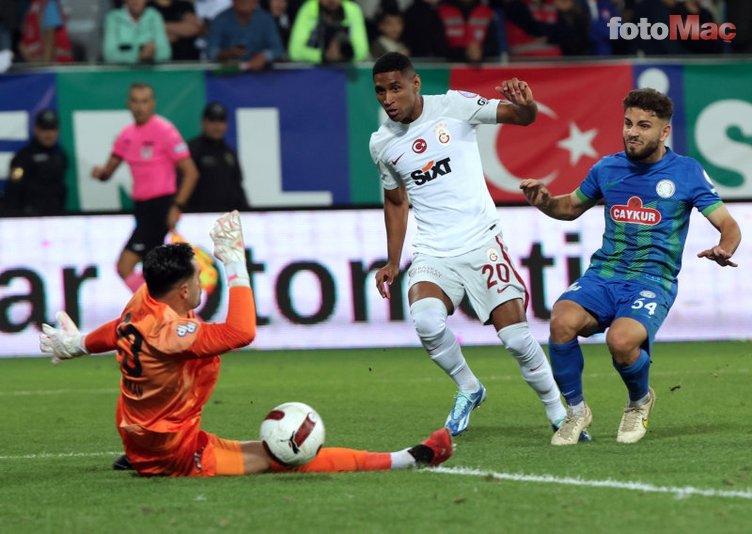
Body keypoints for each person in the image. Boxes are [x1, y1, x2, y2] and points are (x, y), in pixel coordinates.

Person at [39, 211, 453, 477]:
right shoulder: (171, 334)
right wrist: (235, 263)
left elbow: (119, 329)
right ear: (182, 290)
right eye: (197, 278)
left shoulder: (144, 298)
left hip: (140, 431)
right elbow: (242, 332)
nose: (203, 282)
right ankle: (407, 458)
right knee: (284, 456)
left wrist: (76, 344)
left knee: (197, 364)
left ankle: (140, 453)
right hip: (172, 451)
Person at [369, 52, 582, 440]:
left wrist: (526, 105)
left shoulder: (455, 105)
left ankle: (559, 413)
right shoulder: (382, 143)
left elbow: (523, 118)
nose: (388, 99)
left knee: (516, 339)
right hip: (433, 251)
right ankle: (469, 387)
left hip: (482, 242)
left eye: (395, 88)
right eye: (380, 91)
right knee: (427, 322)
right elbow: (396, 201)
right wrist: (392, 261)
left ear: (416, 84)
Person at [520, 88, 742, 446]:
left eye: (643, 125)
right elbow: (569, 207)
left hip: (652, 280)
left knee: (621, 342)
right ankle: (576, 411)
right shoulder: (606, 168)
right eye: (627, 123)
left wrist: (724, 248)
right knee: (561, 322)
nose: (632, 132)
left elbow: (729, 225)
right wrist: (544, 201)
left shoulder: (685, 172)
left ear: (664, 132)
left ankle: (639, 401)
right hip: (604, 275)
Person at [91, 82, 199, 293]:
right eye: (135, 101)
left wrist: (177, 206)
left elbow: (191, 172)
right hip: (141, 209)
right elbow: (108, 171)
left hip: (160, 208)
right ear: (128, 104)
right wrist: (100, 173)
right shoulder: (126, 135)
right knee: (153, 273)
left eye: (144, 101)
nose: (139, 107)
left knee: (125, 266)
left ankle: (158, 304)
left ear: (153, 104)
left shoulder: (165, 131)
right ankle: (164, 305)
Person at [186, 102, 250, 212]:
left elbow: (237, 185)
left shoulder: (229, 153)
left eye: (221, 121)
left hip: (226, 217)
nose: (217, 126)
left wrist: (246, 210)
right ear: (203, 122)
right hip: (198, 215)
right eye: (212, 121)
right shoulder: (192, 150)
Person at [3, 109, 68, 216]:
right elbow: (13, 188)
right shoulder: (23, 157)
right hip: (29, 216)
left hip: (55, 215)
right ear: (36, 130)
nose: (48, 134)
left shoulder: (61, 156)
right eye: (44, 129)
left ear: (58, 131)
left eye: (52, 129)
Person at [206, 0, 285, 70]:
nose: (244, 1)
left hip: (261, 76)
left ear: (256, 1)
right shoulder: (220, 20)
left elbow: (278, 50)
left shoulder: (266, 20)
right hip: (227, 76)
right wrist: (227, 53)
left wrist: (264, 56)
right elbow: (210, 52)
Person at [287, 0, 369, 64]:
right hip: (313, 72)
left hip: (346, 73)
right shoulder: (308, 8)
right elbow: (294, 52)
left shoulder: (352, 10)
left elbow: (362, 51)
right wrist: (323, 56)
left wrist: (342, 55)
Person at [103, 0, 171, 64]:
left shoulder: (154, 16)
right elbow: (109, 55)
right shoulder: (114, 17)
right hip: (122, 72)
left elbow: (165, 53)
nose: (136, 1)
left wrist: (151, 55)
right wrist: (138, 56)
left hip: (150, 71)